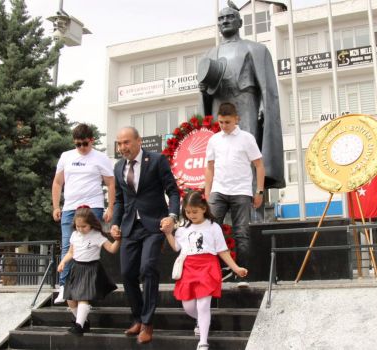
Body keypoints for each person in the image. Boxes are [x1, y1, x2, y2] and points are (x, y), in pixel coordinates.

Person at [198, 4, 285, 191]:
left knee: (248, 151)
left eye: (229, 17)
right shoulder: (210, 55)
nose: (225, 21)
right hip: (218, 106)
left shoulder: (256, 49)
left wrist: (263, 107)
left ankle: (253, 198)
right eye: (221, 19)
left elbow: (267, 88)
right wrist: (204, 90)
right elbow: (206, 92)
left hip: (247, 104)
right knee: (221, 154)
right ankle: (220, 201)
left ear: (240, 22)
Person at [111, 126, 180, 344]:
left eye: (126, 142)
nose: (123, 148)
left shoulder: (157, 160)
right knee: (127, 273)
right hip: (130, 227)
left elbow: (173, 191)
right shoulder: (118, 166)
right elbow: (120, 200)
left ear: (139, 141)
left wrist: (172, 216)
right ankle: (138, 318)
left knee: (148, 268)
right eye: (119, 143)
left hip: (154, 225)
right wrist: (115, 223)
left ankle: (148, 322)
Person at [161, 190, 248, 350]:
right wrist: (168, 234)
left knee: (203, 305)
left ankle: (203, 342)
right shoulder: (182, 229)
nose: (191, 215)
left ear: (203, 208)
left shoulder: (213, 227)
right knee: (188, 306)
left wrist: (236, 268)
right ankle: (201, 320)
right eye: (187, 212)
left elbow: (222, 250)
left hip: (208, 266)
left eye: (195, 211)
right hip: (188, 267)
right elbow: (176, 247)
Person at [52, 123, 115, 304]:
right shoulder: (66, 156)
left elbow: (111, 184)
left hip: (92, 207)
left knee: (90, 246)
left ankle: (92, 287)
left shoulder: (101, 158)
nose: (81, 148)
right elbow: (57, 183)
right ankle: (64, 286)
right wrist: (56, 206)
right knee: (67, 245)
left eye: (85, 144)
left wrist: (110, 207)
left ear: (91, 140)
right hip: (70, 207)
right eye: (78, 144)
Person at [204, 102, 264, 288]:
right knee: (209, 230)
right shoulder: (214, 139)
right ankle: (215, 272)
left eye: (227, 122)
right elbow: (210, 167)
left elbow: (259, 165)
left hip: (241, 191)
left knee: (242, 233)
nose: (223, 126)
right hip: (218, 190)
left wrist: (259, 191)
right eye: (221, 122)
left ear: (236, 119)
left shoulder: (247, 138)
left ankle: (242, 275)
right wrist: (207, 192)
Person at [57, 206, 120, 335]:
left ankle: (78, 326)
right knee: (70, 299)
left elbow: (112, 249)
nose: (80, 229)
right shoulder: (75, 234)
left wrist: (118, 240)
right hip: (76, 268)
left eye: (83, 226)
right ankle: (84, 322)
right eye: (78, 226)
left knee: (83, 298)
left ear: (91, 224)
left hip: (90, 269)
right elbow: (70, 252)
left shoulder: (97, 236)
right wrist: (63, 262)